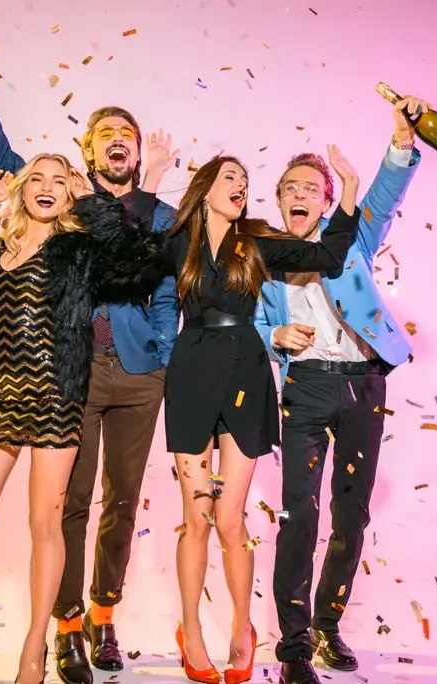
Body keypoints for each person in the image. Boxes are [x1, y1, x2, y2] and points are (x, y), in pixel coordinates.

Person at [0, 14, 180, 684]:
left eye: (126, 135)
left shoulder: (161, 212)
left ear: (137, 151)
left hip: (139, 371)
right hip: (71, 372)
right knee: (68, 504)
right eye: (105, 133)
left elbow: (164, 284)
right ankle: (68, 626)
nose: (117, 141)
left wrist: (164, 354)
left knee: (123, 500)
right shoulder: (65, 197)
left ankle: (105, 614)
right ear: (87, 151)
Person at [0, 154, 163, 684]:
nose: (46, 187)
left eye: (59, 181)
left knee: (45, 525)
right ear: (22, 190)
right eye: (36, 179)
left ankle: (34, 648)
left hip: (56, 402)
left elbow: (138, 262)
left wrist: (97, 205)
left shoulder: (80, 254)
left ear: (69, 195)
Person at [139, 149, 360, 684]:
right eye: (229, 176)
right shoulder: (178, 242)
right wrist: (151, 180)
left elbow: (329, 258)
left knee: (229, 518)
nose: (240, 183)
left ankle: (242, 629)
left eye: (244, 177)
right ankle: (191, 631)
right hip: (191, 377)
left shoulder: (256, 240)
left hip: (245, 377)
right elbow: (129, 259)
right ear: (205, 190)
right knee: (196, 517)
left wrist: (349, 195)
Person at [253, 96, 427, 684]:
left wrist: (400, 142)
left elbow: (383, 196)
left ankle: (327, 625)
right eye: (290, 188)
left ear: (327, 202)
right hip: (303, 387)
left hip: (361, 384)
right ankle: (294, 647)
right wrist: (275, 334)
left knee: (351, 513)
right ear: (279, 201)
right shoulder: (265, 256)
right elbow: (252, 323)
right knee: (297, 514)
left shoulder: (352, 239)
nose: (300, 194)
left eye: (311, 187)